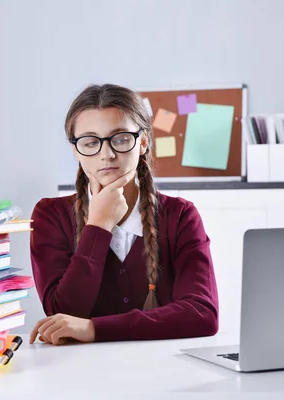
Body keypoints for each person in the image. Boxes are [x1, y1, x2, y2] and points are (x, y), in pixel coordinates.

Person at [29, 83, 219, 345]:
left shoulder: (180, 215)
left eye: (120, 139)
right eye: (90, 141)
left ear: (142, 143)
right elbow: (62, 315)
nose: (106, 154)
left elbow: (202, 313)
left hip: (165, 372)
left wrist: (95, 329)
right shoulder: (49, 215)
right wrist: (99, 225)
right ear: (76, 150)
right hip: (78, 375)